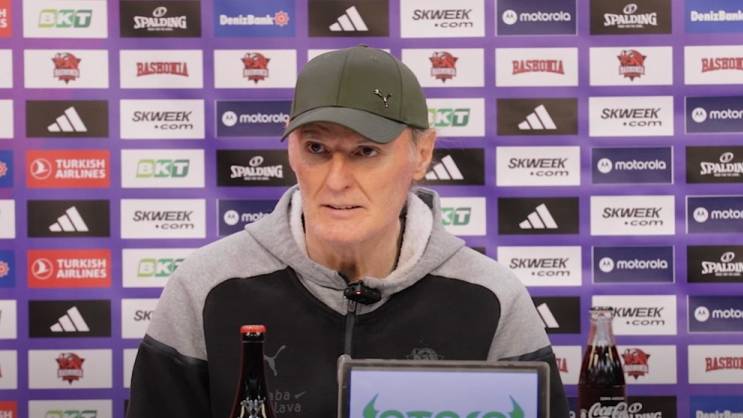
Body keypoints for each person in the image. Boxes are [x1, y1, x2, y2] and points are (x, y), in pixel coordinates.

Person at [127, 45, 570, 418]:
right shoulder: (205, 287)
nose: (336, 180)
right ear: (292, 152)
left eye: (365, 152)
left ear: (422, 153)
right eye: (316, 148)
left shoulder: (493, 299)